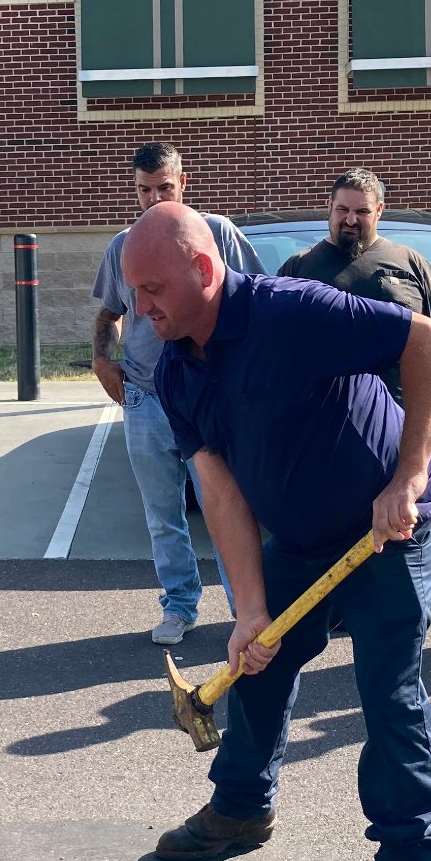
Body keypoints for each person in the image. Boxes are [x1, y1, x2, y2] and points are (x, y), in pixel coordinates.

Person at [128, 203, 431, 861]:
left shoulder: (294, 310)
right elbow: (221, 488)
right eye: (135, 294)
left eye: (152, 289)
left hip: (388, 530)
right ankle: (241, 807)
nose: (142, 308)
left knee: (388, 696)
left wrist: (409, 475)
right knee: (259, 663)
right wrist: (247, 608)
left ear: (205, 270)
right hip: (300, 544)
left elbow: (427, 341)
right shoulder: (176, 365)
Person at [92, 141, 263, 645]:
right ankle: (180, 603)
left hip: (210, 397)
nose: (154, 199)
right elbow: (109, 315)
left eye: (164, 187)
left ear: (183, 183)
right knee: (162, 511)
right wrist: (104, 360)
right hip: (146, 398)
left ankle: (245, 608)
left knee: (229, 503)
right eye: (145, 189)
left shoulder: (219, 236)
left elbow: (254, 301)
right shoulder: (123, 247)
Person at [278, 166, 431, 401]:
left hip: (397, 417)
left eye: (362, 211)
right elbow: (276, 344)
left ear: (379, 210)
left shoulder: (410, 263)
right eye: (343, 209)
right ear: (329, 206)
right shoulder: (298, 268)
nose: (350, 220)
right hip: (316, 419)